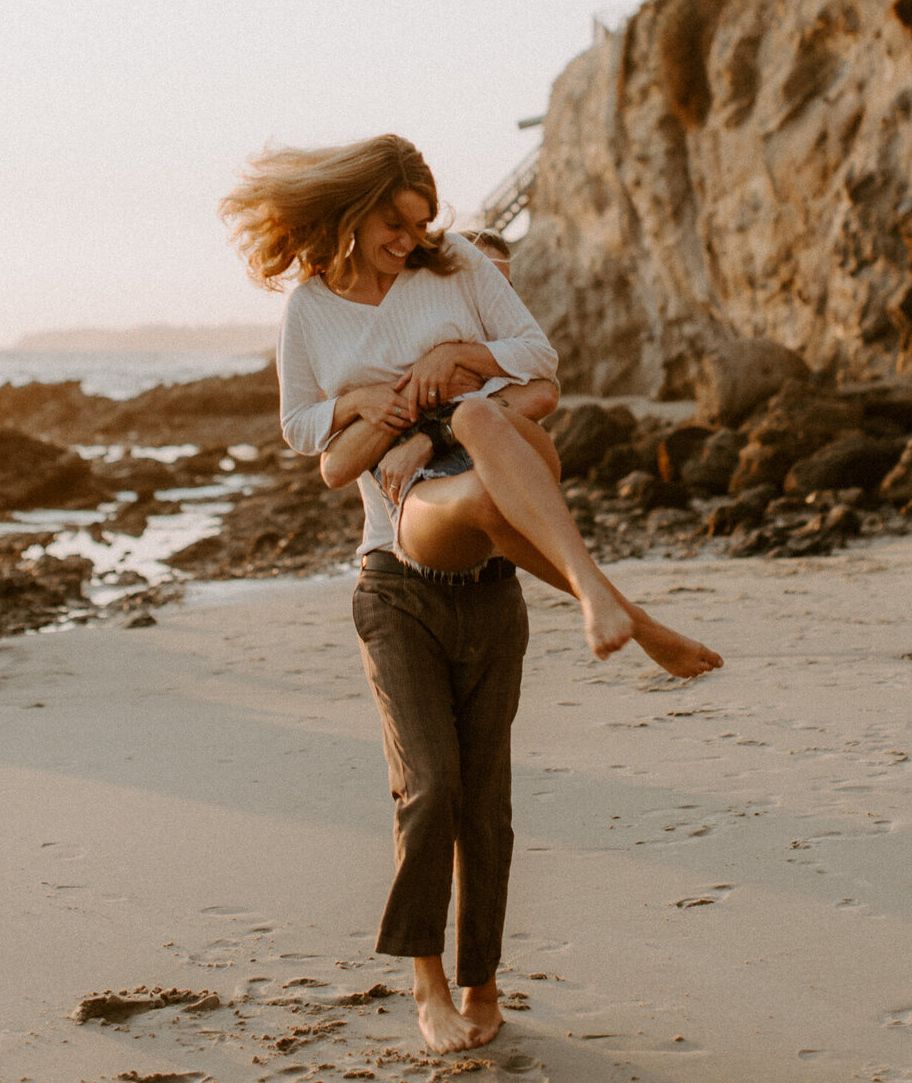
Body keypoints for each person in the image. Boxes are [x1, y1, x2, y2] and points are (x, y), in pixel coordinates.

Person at [220, 135, 722, 1054]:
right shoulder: (312, 311)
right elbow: (302, 429)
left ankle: (482, 978)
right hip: (402, 564)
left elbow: (541, 365)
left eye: (422, 222)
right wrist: (374, 406)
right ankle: (426, 986)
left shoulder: (458, 272)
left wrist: (458, 356)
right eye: (394, 223)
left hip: (492, 563)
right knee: (432, 790)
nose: (411, 240)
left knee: (485, 802)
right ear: (351, 211)